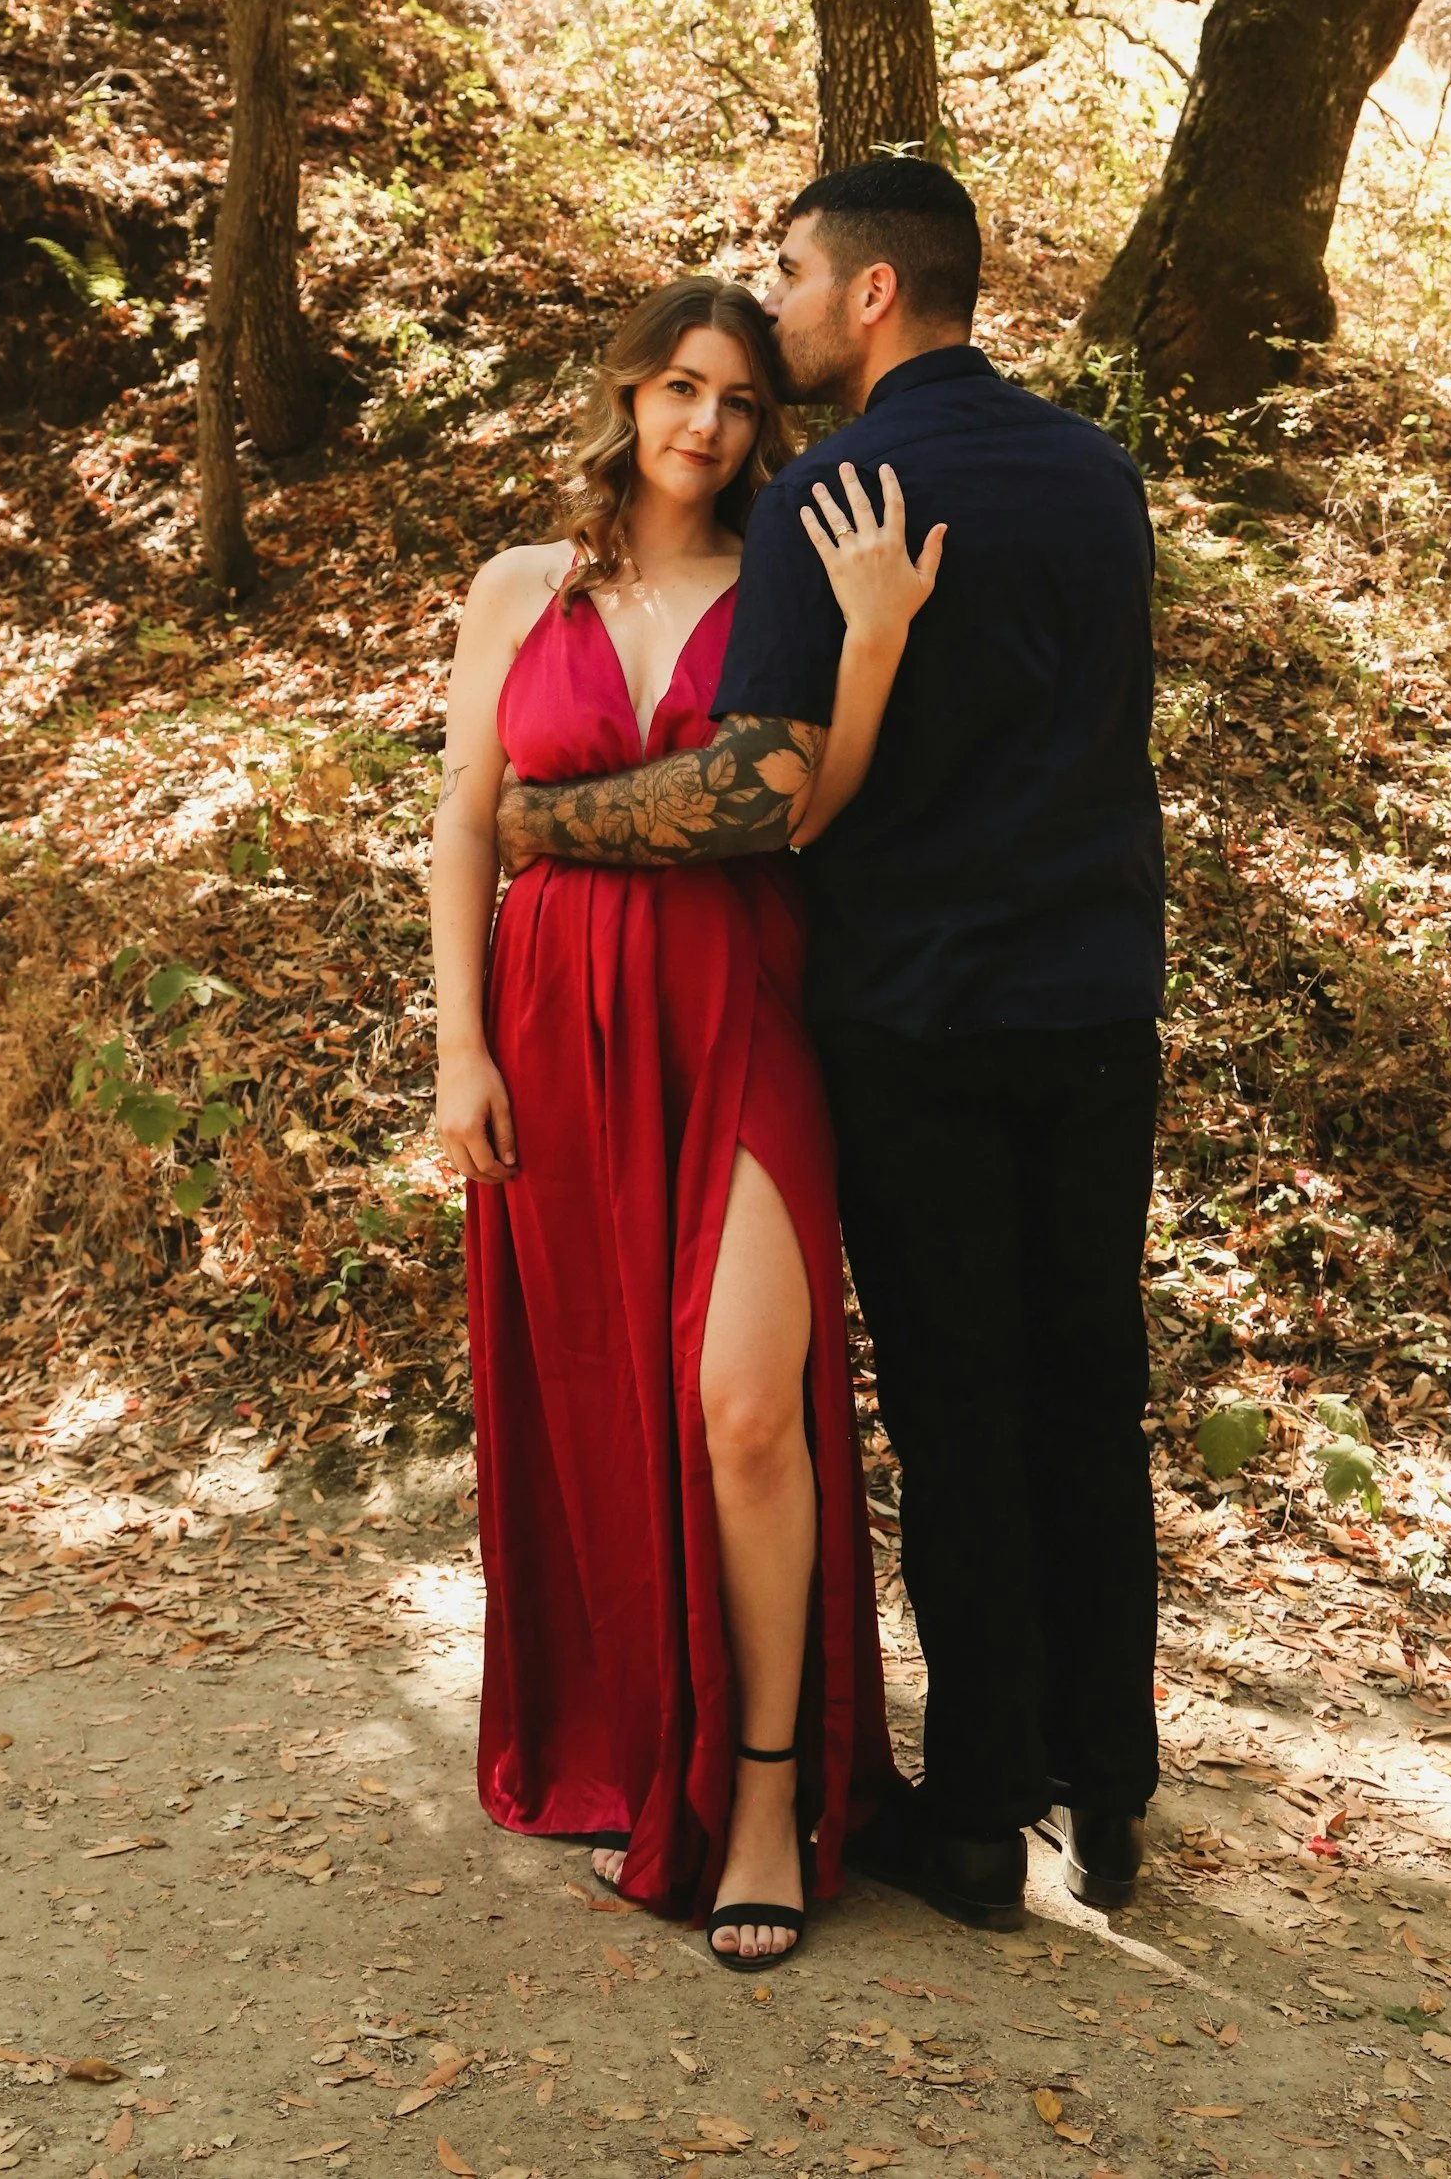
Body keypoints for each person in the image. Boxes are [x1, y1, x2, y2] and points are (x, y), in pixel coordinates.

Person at [495, 159, 1165, 1934]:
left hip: (912, 1017)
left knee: (960, 1403)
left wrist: (553, 830)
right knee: (1091, 1393)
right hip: (1099, 1006)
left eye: (793, 274)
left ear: (871, 295)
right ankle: (1112, 1793)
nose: (774, 303)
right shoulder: (1102, 479)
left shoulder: (832, 498)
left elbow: (756, 788)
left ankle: (980, 1818)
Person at [430, 275, 939, 1968]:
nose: (704, 424)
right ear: (629, 395)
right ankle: (644, 1739)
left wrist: (866, 647)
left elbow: (806, 810)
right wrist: (459, 1053)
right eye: (677, 388)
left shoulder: (778, 582)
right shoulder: (519, 588)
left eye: (733, 397)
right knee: (599, 1396)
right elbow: (465, 829)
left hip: (738, 1004)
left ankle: (769, 1797)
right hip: (554, 1024)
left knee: (742, 1410)